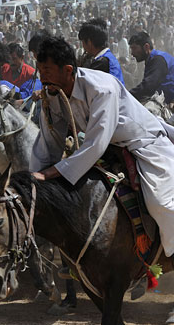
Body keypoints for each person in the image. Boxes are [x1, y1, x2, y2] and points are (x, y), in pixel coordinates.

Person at [30, 36, 174, 258]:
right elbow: (49, 142)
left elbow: (95, 143)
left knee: (159, 203)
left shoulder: (101, 88)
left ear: (68, 70)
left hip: (144, 144)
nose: (42, 75)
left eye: (47, 69)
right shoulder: (54, 95)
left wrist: (49, 173)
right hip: (106, 148)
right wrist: (35, 178)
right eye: (39, 69)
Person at [129, 31, 174, 104]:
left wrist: (127, 95)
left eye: (134, 48)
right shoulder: (151, 60)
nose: (132, 53)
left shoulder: (158, 60)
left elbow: (148, 86)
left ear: (146, 47)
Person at [77, 18, 124, 84]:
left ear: (89, 42)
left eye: (83, 42)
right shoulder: (108, 57)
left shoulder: (101, 63)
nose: (83, 46)